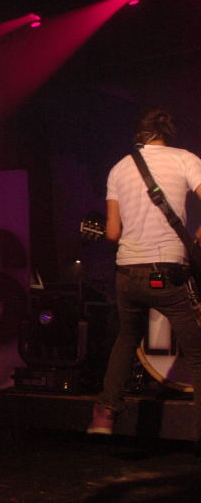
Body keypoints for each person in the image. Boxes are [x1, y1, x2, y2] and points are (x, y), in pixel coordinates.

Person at [87, 108, 201, 441]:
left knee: (126, 338)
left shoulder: (119, 168)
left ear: (140, 135)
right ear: (168, 133)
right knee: (197, 354)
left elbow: (112, 232)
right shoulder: (185, 159)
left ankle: (103, 414)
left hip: (127, 273)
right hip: (167, 271)